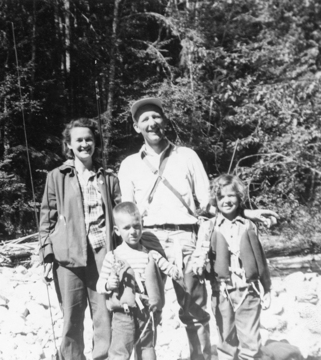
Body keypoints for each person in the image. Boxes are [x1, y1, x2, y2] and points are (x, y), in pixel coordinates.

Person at [117, 97, 278, 360]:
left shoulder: (187, 156)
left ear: (165, 121)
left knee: (195, 309)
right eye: (144, 119)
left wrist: (248, 213)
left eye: (156, 117)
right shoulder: (128, 165)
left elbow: (209, 205)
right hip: (147, 241)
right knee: (146, 308)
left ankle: (201, 357)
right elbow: (126, 215)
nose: (151, 123)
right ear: (136, 127)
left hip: (186, 238)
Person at [39, 118, 121, 360]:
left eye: (89, 139)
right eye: (79, 140)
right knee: (71, 314)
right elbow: (47, 217)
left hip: (102, 254)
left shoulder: (109, 178)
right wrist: (46, 254)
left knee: (104, 313)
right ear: (69, 145)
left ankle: (102, 356)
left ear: (95, 143)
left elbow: (120, 215)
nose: (85, 144)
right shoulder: (56, 176)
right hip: (67, 255)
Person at [189, 174, 271, 360]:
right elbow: (198, 256)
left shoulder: (249, 225)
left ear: (239, 197)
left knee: (250, 341)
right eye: (221, 197)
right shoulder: (208, 227)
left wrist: (267, 288)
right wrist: (198, 265)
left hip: (249, 292)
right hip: (221, 292)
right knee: (226, 340)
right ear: (214, 200)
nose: (226, 200)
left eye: (231, 196)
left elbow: (260, 259)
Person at [97, 201, 182, 360]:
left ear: (142, 226)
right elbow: (100, 285)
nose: (133, 232)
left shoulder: (151, 254)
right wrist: (109, 284)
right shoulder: (113, 257)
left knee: (147, 348)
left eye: (137, 226)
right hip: (123, 313)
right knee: (120, 352)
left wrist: (174, 271)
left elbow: (166, 266)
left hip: (146, 312)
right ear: (117, 230)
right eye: (127, 228)